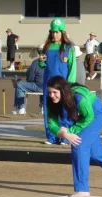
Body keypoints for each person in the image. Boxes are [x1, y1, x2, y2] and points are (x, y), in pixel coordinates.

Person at [47, 76, 102, 197]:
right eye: (50, 92)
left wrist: (71, 131)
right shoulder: (50, 101)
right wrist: (65, 134)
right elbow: (51, 124)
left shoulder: (78, 97)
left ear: (62, 91)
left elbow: (89, 117)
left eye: (55, 92)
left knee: (79, 145)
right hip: (81, 118)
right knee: (95, 153)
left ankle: (82, 190)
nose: (52, 95)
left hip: (96, 115)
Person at [39, 17, 77, 145]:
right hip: (48, 85)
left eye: (57, 32)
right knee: (50, 111)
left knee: (65, 111)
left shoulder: (68, 48)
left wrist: (70, 84)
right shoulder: (47, 47)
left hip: (63, 85)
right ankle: (52, 137)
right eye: (52, 32)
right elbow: (43, 64)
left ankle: (65, 137)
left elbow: (72, 67)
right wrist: (41, 62)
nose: (54, 35)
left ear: (62, 32)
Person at [12, 45, 44, 115]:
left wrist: (30, 81)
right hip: (50, 87)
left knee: (19, 84)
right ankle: (43, 108)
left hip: (38, 86)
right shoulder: (53, 62)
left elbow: (30, 77)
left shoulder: (36, 62)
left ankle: (21, 108)